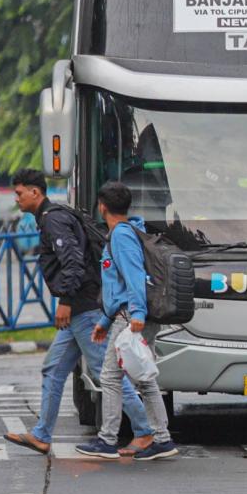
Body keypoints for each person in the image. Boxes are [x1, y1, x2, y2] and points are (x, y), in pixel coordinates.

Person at [2, 170, 155, 458]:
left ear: (36, 192)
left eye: (20, 193)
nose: (17, 198)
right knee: (54, 368)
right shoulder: (52, 217)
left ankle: (147, 430)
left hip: (83, 309)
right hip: (80, 311)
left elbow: (73, 262)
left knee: (105, 372)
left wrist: (66, 300)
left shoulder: (54, 219)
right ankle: (41, 435)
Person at [75, 182, 178, 461]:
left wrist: (137, 315)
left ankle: (107, 440)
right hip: (124, 315)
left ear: (102, 206)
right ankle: (163, 439)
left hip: (130, 317)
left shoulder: (121, 236)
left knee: (110, 376)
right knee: (144, 377)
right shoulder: (126, 232)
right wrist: (105, 321)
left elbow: (134, 278)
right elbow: (117, 286)